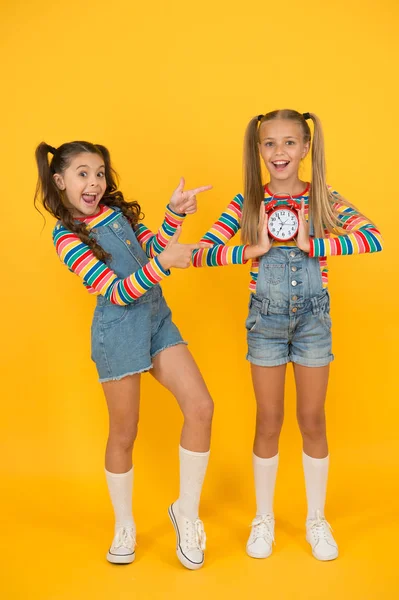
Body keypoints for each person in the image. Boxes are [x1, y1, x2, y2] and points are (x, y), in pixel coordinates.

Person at [192, 110, 383, 561]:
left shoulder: (322, 198)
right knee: (268, 421)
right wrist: (251, 249)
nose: (279, 153)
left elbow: (372, 237)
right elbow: (202, 254)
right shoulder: (247, 202)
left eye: (289, 143)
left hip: (314, 322)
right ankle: (265, 519)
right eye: (270, 144)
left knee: (313, 421)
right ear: (258, 150)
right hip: (267, 326)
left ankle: (317, 519)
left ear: (305, 148)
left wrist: (313, 245)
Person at [34, 140, 214, 570]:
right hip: (117, 333)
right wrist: (165, 265)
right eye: (83, 173)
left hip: (156, 320)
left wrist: (174, 214)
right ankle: (124, 525)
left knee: (201, 407)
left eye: (99, 172)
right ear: (60, 181)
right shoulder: (66, 238)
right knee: (124, 434)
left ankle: (186, 512)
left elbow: (154, 249)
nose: (94, 182)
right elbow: (115, 290)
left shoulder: (118, 214)